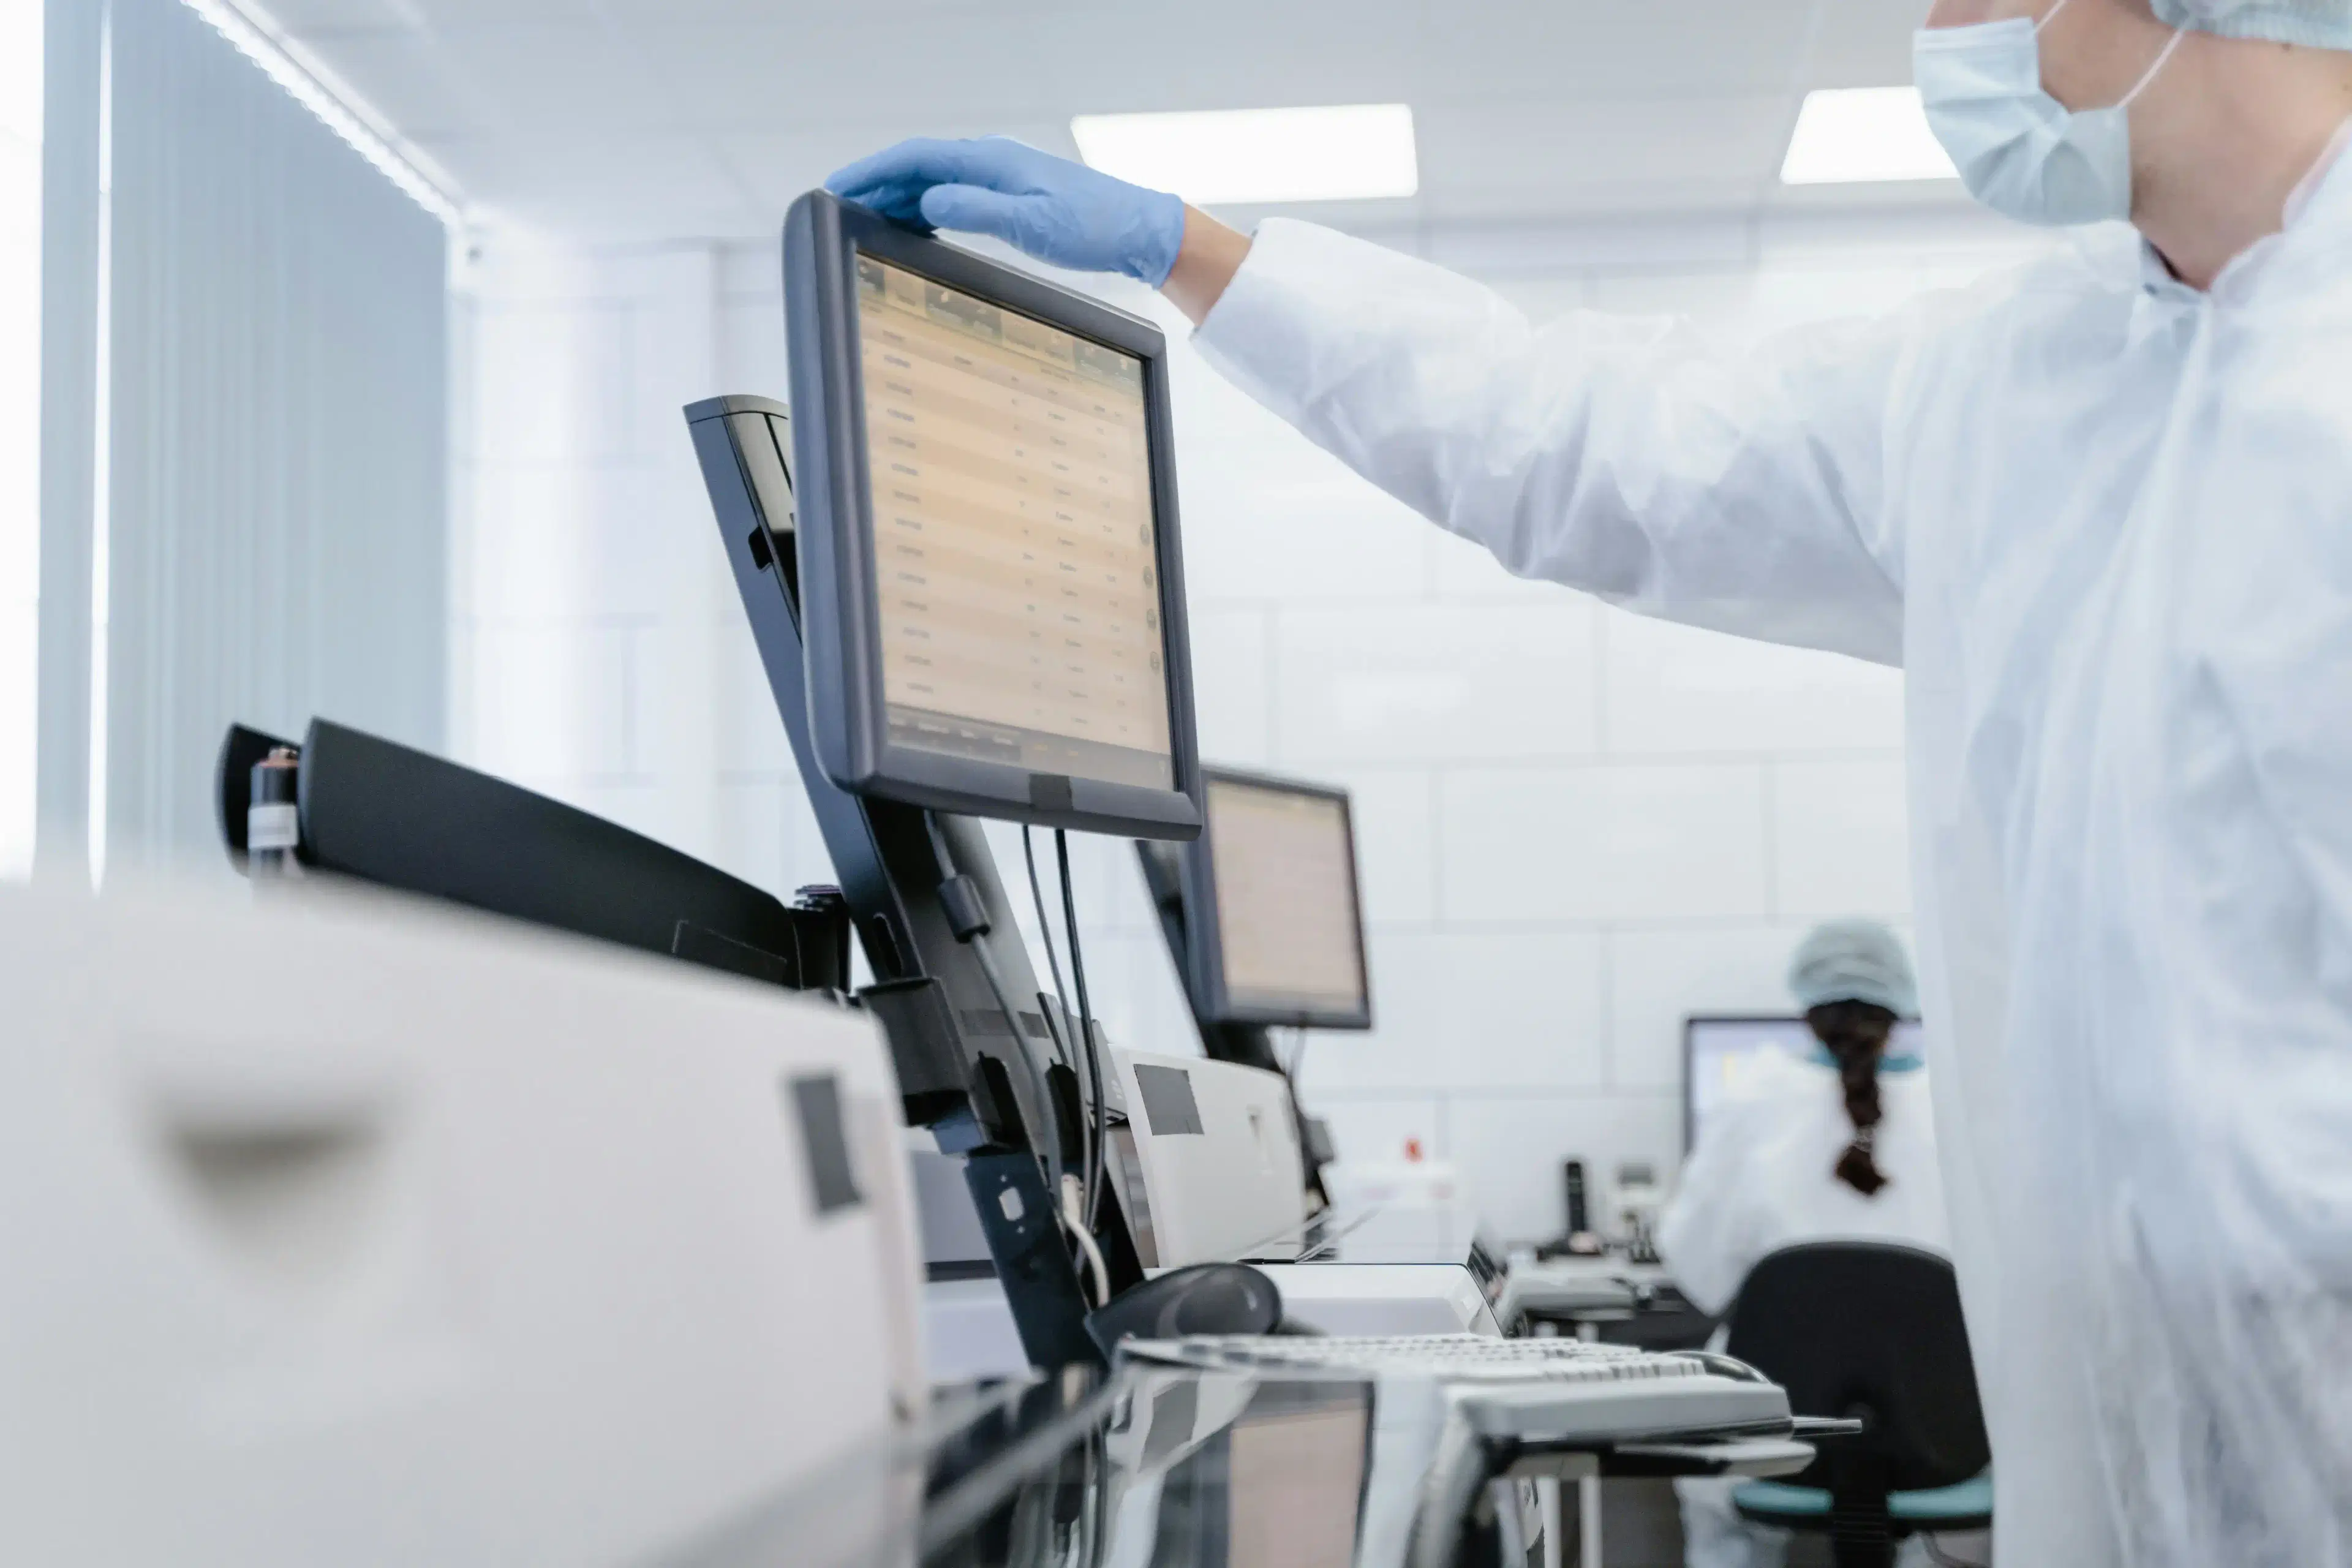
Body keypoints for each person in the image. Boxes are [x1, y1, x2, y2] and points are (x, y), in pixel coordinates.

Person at [825, 2, 2352, 1561]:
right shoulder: (2020, 383)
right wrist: (1195, 254)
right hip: (2117, 1480)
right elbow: (1584, 440)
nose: (1943, 28)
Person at [1659, 921, 1951, 1568]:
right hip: (1935, 1438)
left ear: (1808, 1003)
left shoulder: (1756, 1097)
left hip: (1771, 1432)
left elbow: (1698, 1273)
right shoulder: (1958, 1105)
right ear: (1902, 1002)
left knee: (1723, 1519)